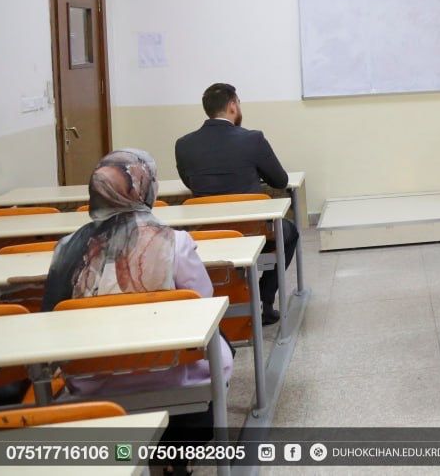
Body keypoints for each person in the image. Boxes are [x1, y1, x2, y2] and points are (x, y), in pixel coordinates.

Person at [42, 150, 233, 465]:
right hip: (173, 374)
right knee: (219, 339)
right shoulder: (174, 243)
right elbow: (204, 304)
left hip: (92, 382)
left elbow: (50, 318)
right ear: (147, 189)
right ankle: (179, 450)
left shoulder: (66, 249)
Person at [174, 82, 296, 324]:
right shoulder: (253, 139)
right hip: (252, 231)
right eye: (238, 103)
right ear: (232, 106)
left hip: (206, 233)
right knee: (290, 233)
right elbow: (280, 181)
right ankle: (264, 299)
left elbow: (189, 182)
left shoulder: (184, 144)